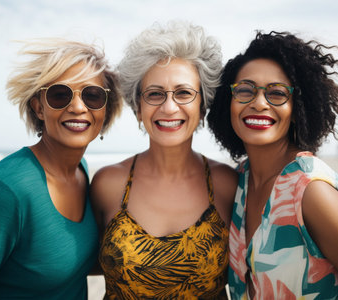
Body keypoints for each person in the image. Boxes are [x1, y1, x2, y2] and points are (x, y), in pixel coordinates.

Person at [207, 31, 338, 299]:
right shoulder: (239, 182)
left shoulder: (312, 192)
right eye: (246, 90)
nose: (259, 103)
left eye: (277, 93)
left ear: (296, 109)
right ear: (229, 101)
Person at [0, 38, 122, 299]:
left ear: (105, 110)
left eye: (92, 95)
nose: (77, 107)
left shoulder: (81, 171)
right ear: (39, 107)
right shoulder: (5, 193)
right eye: (60, 94)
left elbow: (65, 264)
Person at [91, 21, 237, 299]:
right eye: (155, 94)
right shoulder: (108, 184)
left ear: (202, 105)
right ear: (138, 108)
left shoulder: (227, 184)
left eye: (183, 93)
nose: (169, 107)